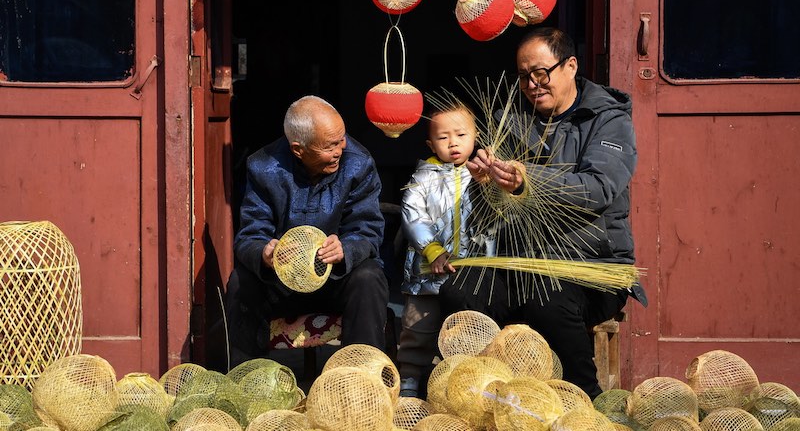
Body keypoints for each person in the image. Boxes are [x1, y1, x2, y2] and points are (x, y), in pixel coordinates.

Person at [439, 26, 647, 399]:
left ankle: (587, 399)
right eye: (523, 77)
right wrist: (486, 184)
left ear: (570, 66)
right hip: (520, 261)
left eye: (541, 73)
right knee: (461, 291)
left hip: (591, 264)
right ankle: (481, 394)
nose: (533, 84)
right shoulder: (510, 119)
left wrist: (526, 180)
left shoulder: (608, 120)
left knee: (546, 299)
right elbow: (485, 217)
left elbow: (597, 189)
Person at [225, 95, 389, 367]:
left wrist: (345, 249)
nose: (340, 149)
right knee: (242, 282)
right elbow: (249, 235)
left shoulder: (358, 164)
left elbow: (368, 229)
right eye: (330, 145)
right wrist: (265, 252)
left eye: (341, 139)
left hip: (336, 280)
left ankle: (363, 379)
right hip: (281, 284)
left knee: (369, 276)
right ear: (298, 149)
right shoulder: (264, 167)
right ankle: (247, 380)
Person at [397, 104, 494, 397]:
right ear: (430, 144)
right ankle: (411, 379)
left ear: (475, 136)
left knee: (468, 329)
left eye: (461, 134)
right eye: (443, 137)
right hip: (426, 272)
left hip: (469, 273)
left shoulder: (482, 176)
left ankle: (467, 381)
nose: (453, 143)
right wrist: (433, 250)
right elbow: (413, 215)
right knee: (417, 327)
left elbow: (495, 217)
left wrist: (490, 185)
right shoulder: (422, 178)